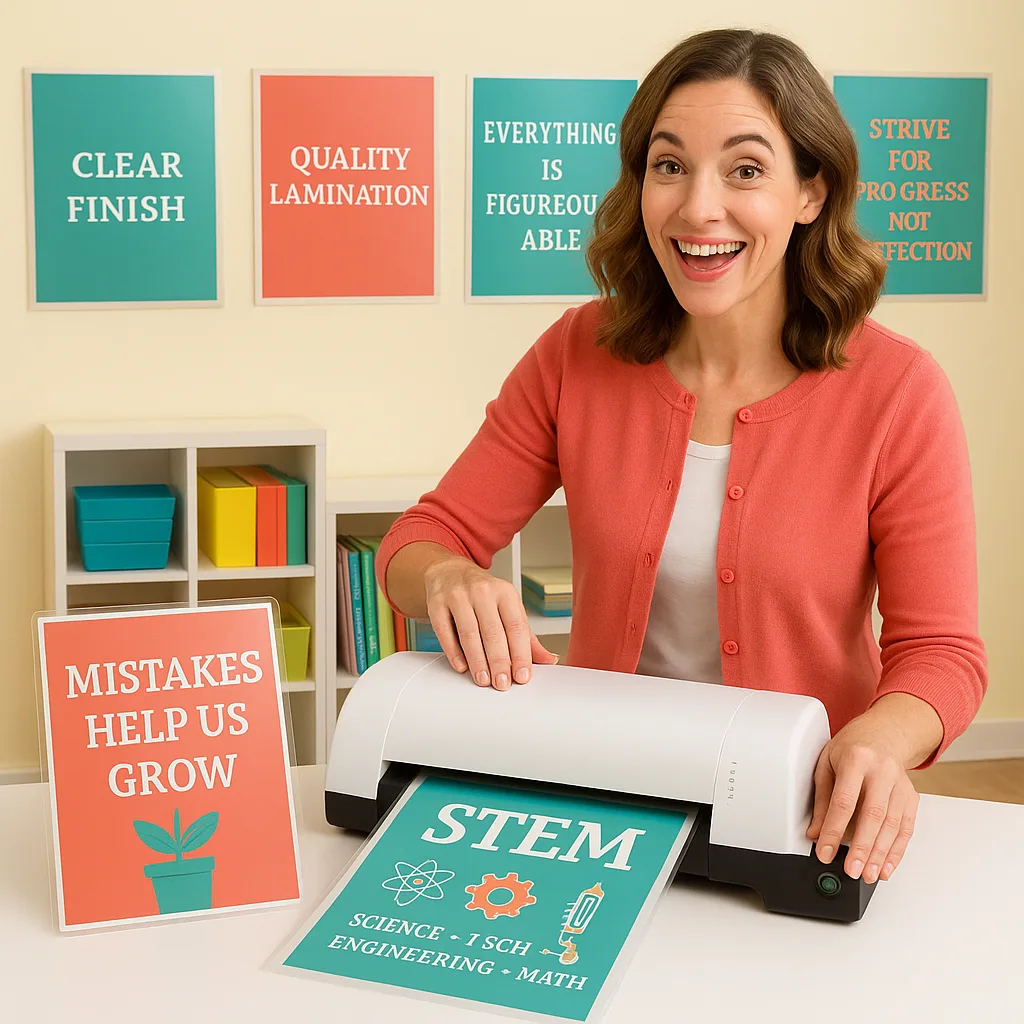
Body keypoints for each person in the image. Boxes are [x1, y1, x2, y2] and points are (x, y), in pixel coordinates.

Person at [375, 29, 986, 891]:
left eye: (745, 170)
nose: (699, 208)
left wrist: (881, 737)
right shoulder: (577, 352)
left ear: (810, 191)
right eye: (670, 166)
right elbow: (422, 537)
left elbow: (943, 653)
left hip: (798, 819)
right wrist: (445, 576)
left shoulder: (899, 391)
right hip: (600, 804)